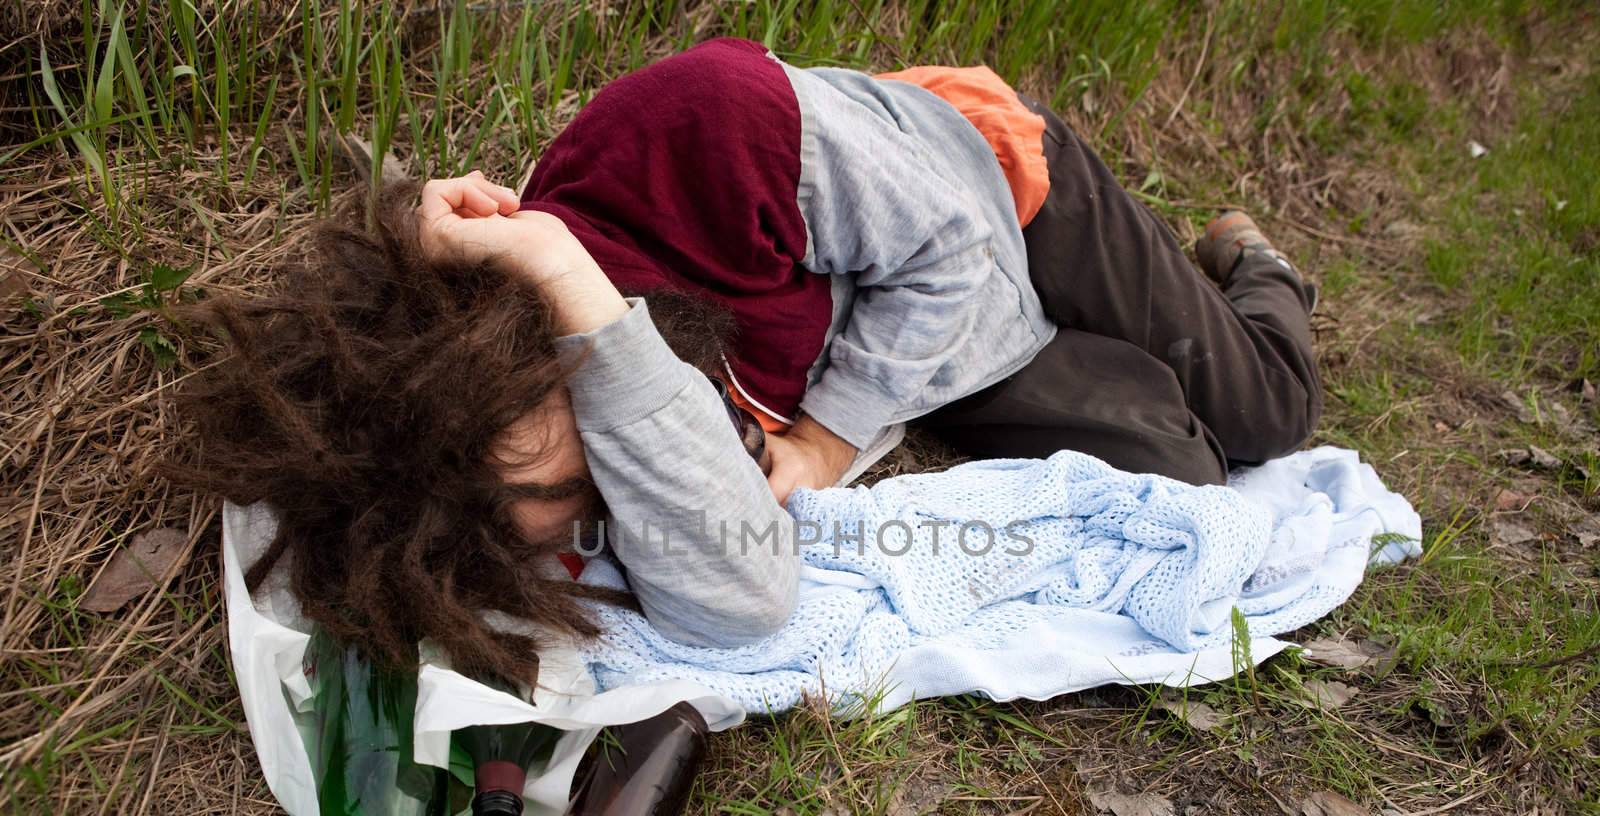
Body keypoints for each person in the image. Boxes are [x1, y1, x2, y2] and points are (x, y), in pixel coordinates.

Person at [178, 37, 1320, 681]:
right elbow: (742, 599)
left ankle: (1256, 266)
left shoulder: (698, 130)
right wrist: (605, 354)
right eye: (591, 494)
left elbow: (954, 248)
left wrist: (822, 438)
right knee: (1178, 473)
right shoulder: (572, 409)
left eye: (577, 450)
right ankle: (1152, 341)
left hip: (992, 193)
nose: (634, 467)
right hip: (914, 327)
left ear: (501, 330)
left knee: (1266, 411)